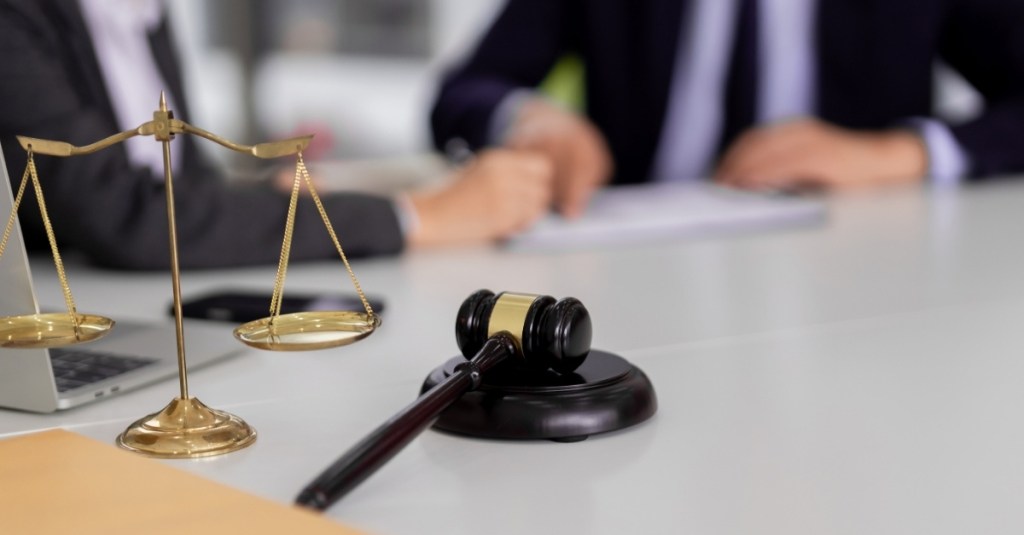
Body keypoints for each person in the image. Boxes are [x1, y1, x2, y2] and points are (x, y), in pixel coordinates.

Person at [0, 0, 553, 270]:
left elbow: (182, 188)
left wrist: (273, 196)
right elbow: (125, 216)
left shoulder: (140, 9)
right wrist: (419, 216)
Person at [430, 0, 1024, 218]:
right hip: (635, 284)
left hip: (861, 276)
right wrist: (530, 119)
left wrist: (902, 152)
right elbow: (466, 88)